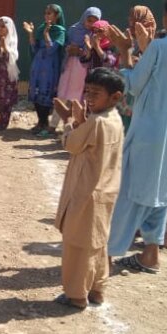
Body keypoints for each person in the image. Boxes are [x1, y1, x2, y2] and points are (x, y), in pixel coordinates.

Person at [108, 0, 167, 274]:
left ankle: (107, 253)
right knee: (160, 192)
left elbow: (133, 85)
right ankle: (150, 253)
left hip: (148, 131)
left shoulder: (160, 48)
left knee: (130, 193)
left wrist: (125, 51)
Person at [51, 68, 125, 310]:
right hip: (106, 190)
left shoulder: (96, 122)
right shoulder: (114, 119)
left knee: (77, 244)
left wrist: (71, 123)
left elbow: (71, 144)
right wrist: (80, 122)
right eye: (88, 91)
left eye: (96, 93)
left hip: (86, 193)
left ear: (115, 97)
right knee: (98, 242)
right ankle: (97, 289)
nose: (89, 97)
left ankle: (76, 294)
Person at [53, 7, 101, 128]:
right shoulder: (73, 30)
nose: (91, 24)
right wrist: (69, 49)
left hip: (82, 68)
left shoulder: (95, 34)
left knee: (78, 96)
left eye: (94, 22)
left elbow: (92, 52)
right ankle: (53, 125)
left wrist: (80, 51)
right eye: (89, 20)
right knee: (62, 93)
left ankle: (75, 125)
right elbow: (65, 44)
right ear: (84, 18)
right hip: (69, 64)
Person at [23, 4, 66, 137]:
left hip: (50, 67)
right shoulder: (41, 28)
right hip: (38, 64)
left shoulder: (60, 31)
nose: (47, 16)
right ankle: (40, 122)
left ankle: (45, 123)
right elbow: (34, 49)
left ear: (57, 16)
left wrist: (47, 34)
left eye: (50, 13)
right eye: (45, 13)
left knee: (46, 92)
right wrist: (31, 34)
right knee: (35, 92)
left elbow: (51, 50)